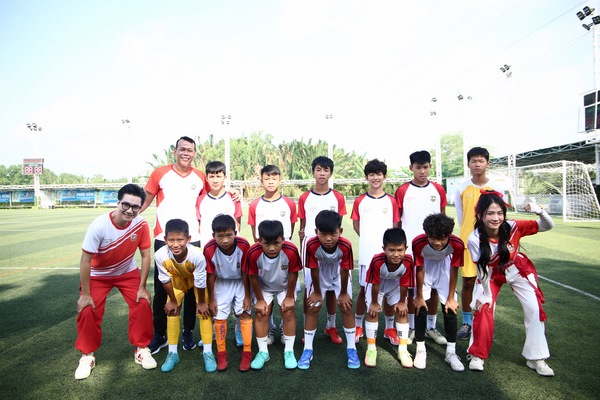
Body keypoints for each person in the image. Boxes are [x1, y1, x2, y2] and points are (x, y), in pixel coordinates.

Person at [467, 191, 555, 376]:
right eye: (490, 213)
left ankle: (536, 358)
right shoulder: (474, 238)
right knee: (483, 307)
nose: (496, 218)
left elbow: (547, 226)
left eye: (500, 213)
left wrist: (539, 211)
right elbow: (482, 269)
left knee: (534, 309)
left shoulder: (513, 226)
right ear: (480, 215)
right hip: (490, 275)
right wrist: (486, 294)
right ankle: (477, 354)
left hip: (517, 269)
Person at [74, 184, 156, 380]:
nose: (130, 210)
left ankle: (141, 349)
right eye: (126, 205)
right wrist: (86, 294)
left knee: (142, 302)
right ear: (118, 203)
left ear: (140, 207)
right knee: (87, 308)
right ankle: (87, 355)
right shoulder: (99, 225)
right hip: (98, 275)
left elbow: (146, 256)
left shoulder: (141, 224)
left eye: (135, 207)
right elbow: (85, 261)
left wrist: (142, 287)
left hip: (126, 272)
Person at [141, 136, 208, 354]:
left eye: (190, 150)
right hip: (164, 238)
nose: (186, 153)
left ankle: (188, 331)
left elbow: (210, 199)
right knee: (162, 288)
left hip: (192, 238)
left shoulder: (200, 177)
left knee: (191, 289)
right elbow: (146, 199)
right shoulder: (160, 173)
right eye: (182, 149)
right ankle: (160, 334)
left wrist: (232, 195)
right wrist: (130, 214)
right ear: (175, 151)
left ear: (195, 153)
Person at [394, 150, 448, 346]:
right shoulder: (403, 191)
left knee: (433, 288)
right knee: (411, 289)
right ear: (411, 168)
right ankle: (411, 327)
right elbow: (398, 220)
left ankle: (430, 327)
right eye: (418, 167)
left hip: (435, 247)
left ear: (430, 167)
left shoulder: (438, 189)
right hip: (411, 249)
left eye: (425, 167)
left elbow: (443, 217)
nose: (422, 171)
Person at [455, 147, 507, 340]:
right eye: (474, 161)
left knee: (489, 285)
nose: (477, 164)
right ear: (468, 164)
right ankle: (467, 323)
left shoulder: (496, 188)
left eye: (481, 160)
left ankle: (486, 324)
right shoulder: (462, 188)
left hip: (492, 243)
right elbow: (461, 217)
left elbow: (501, 217)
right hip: (469, 243)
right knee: (468, 282)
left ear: (487, 163)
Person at [298, 210, 359, 370]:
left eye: (333, 233)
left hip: (339, 274)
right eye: (323, 234)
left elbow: (345, 270)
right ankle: (308, 349)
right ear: (316, 232)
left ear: (340, 231)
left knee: (346, 307)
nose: (328, 238)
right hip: (320, 273)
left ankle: (351, 349)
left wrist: (344, 293)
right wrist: (317, 292)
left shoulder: (346, 245)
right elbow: (313, 269)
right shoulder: (311, 244)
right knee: (313, 307)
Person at [297, 156, 347, 345]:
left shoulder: (338, 197)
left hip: (333, 247)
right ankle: (307, 327)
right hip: (311, 247)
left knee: (332, 288)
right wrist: (303, 244)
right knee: (310, 287)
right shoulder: (304, 198)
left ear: (331, 173)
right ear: (313, 172)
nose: (322, 173)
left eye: (326, 170)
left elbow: (339, 226)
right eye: (318, 169)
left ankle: (331, 326)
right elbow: (302, 225)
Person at [155, 219, 214, 373]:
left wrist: (201, 302)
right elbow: (165, 279)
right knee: (172, 311)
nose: (176, 244)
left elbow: (200, 280)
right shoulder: (160, 255)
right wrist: (173, 301)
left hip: (196, 281)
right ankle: (172, 353)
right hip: (177, 281)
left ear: (188, 239)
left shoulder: (197, 255)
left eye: (180, 240)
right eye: (171, 240)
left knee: (204, 311)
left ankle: (208, 352)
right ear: (165, 240)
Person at [247, 164, 298, 344]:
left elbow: (291, 226)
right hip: (264, 253)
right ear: (261, 181)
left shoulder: (289, 203)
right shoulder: (255, 205)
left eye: (274, 178)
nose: (270, 181)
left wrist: (281, 243)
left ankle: (284, 328)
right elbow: (254, 231)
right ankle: (269, 327)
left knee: (285, 296)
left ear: (280, 180)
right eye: (267, 178)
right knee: (266, 295)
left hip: (283, 252)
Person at [351, 159, 400, 344]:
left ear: (384, 176)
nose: (375, 178)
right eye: (371, 174)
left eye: (378, 174)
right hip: (367, 254)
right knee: (364, 289)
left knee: (389, 291)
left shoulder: (392, 201)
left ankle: (389, 328)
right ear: (367, 177)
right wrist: (368, 240)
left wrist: (389, 248)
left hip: (389, 255)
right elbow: (356, 225)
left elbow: (395, 225)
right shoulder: (360, 200)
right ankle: (358, 325)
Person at [196, 160, 244, 347]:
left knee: (238, 291)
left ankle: (239, 330)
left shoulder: (232, 198)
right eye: (211, 176)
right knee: (213, 291)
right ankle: (213, 331)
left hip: (230, 249)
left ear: (225, 177)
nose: (215, 179)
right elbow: (198, 222)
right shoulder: (201, 199)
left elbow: (238, 222)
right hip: (209, 250)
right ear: (207, 178)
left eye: (219, 175)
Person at [245, 220, 301, 370]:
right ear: (259, 241)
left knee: (288, 311)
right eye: (266, 244)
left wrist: (289, 297)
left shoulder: (291, 250)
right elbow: (252, 276)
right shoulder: (253, 252)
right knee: (261, 313)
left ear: (283, 239)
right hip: (264, 286)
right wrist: (260, 299)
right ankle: (263, 352)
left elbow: (293, 273)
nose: (271, 248)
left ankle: (289, 351)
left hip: (285, 286)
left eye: (276, 243)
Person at [412, 213, 465, 371]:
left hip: (445, 267)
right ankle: (420, 349)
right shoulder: (418, 242)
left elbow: (454, 269)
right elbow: (419, 268)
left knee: (450, 308)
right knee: (421, 307)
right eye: (433, 238)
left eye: (442, 238)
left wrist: (451, 297)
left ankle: (451, 352)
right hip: (425, 268)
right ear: (427, 234)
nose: (437, 242)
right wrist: (419, 296)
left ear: (449, 234)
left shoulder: (457, 244)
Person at [203, 214, 253, 372]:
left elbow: (245, 272)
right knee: (219, 317)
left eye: (229, 235)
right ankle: (221, 354)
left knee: (245, 314)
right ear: (213, 235)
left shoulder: (244, 245)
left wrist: (247, 295)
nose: (225, 240)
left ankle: (247, 352)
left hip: (240, 282)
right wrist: (211, 299)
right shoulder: (209, 248)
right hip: (221, 283)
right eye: (220, 236)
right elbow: (210, 275)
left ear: (235, 233)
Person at [364, 228, 414, 369]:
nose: (396, 254)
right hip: (377, 284)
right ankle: (371, 349)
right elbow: (375, 283)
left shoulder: (408, 260)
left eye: (400, 250)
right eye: (391, 250)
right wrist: (374, 302)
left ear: (406, 248)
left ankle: (403, 350)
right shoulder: (377, 260)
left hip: (395, 283)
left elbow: (405, 283)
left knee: (402, 311)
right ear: (384, 249)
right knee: (372, 312)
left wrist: (402, 302)